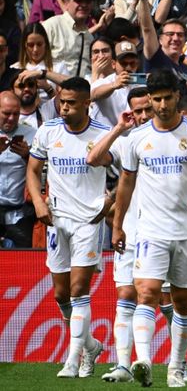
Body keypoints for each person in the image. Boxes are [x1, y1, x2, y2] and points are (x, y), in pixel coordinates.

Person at [112, 69, 187, 387]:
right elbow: (125, 185)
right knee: (146, 293)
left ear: (177, 96)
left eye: (165, 98)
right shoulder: (137, 138)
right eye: (155, 99)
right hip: (150, 231)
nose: (160, 105)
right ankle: (142, 361)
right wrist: (118, 226)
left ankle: (177, 364)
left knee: (184, 303)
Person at [26, 76, 111, 378]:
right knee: (61, 295)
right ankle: (91, 345)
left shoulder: (103, 134)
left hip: (88, 221)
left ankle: (73, 359)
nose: (64, 108)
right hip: (56, 219)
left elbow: (128, 173)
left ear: (88, 103)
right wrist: (38, 202)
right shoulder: (47, 132)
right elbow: (33, 170)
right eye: (62, 101)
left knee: (78, 290)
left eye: (71, 103)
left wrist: (109, 203)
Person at [84, 86, 155, 383]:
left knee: (160, 297)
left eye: (145, 110)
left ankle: (176, 358)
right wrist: (118, 127)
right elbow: (94, 158)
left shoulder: (176, 138)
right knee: (125, 294)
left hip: (159, 232)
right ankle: (127, 365)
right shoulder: (129, 141)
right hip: (129, 231)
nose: (140, 116)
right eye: (135, 111)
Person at [0, 91, 35, 248]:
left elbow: (44, 172)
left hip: (19, 214)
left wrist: (28, 157)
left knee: (22, 264)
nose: (12, 118)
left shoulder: (32, 134)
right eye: (6, 113)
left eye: (16, 114)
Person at [41, 0, 98, 78]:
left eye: (87, 1)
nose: (84, 5)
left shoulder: (89, 37)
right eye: (79, 0)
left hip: (81, 90)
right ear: (66, 2)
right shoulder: (52, 26)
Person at [88, 41, 140, 127]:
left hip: (135, 135)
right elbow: (92, 95)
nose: (128, 68)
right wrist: (114, 85)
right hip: (107, 135)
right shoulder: (106, 81)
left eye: (132, 63)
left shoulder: (142, 82)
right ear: (113, 64)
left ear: (137, 64)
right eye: (124, 63)